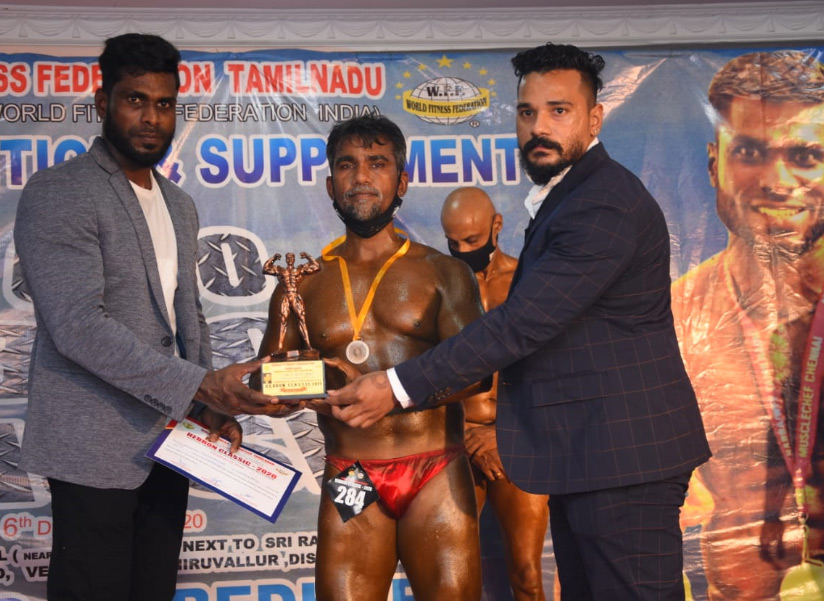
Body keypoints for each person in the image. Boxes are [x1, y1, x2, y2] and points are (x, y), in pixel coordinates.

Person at [325, 43, 711, 600]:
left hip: (624, 464)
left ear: (595, 118)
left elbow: (520, 326)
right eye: (528, 112)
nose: (539, 127)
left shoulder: (602, 203)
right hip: (588, 458)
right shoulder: (566, 198)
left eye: (559, 110)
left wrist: (394, 386)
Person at [14, 33, 278, 601]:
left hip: (171, 444)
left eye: (164, 104)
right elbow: (77, 325)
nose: (152, 118)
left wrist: (206, 407)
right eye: (135, 100)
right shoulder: (60, 191)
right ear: (102, 101)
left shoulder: (179, 204)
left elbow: (188, 319)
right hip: (92, 448)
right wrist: (199, 385)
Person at [257, 115, 484, 601]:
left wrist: (392, 392)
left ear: (401, 182)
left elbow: (477, 372)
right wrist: (319, 384)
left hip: (435, 471)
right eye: (347, 165)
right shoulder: (302, 284)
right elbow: (269, 388)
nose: (361, 177)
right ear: (330, 185)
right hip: (353, 474)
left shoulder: (443, 272)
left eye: (377, 164)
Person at [672, 50, 824, 600]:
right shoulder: (674, 318)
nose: (777, 180)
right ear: (713, 164)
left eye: (804, 155)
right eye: (749, 152)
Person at [441, 186, 549, 601]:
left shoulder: (529, 283)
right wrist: (466, 433)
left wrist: (506, 435)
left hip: (516, 439)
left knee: (526, 575)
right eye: (453, 243)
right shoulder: (440, 286)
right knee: (450, 579)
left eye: (472, 240)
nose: (463, 251)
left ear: (497, 226)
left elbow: (550, 373)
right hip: (454, 440)